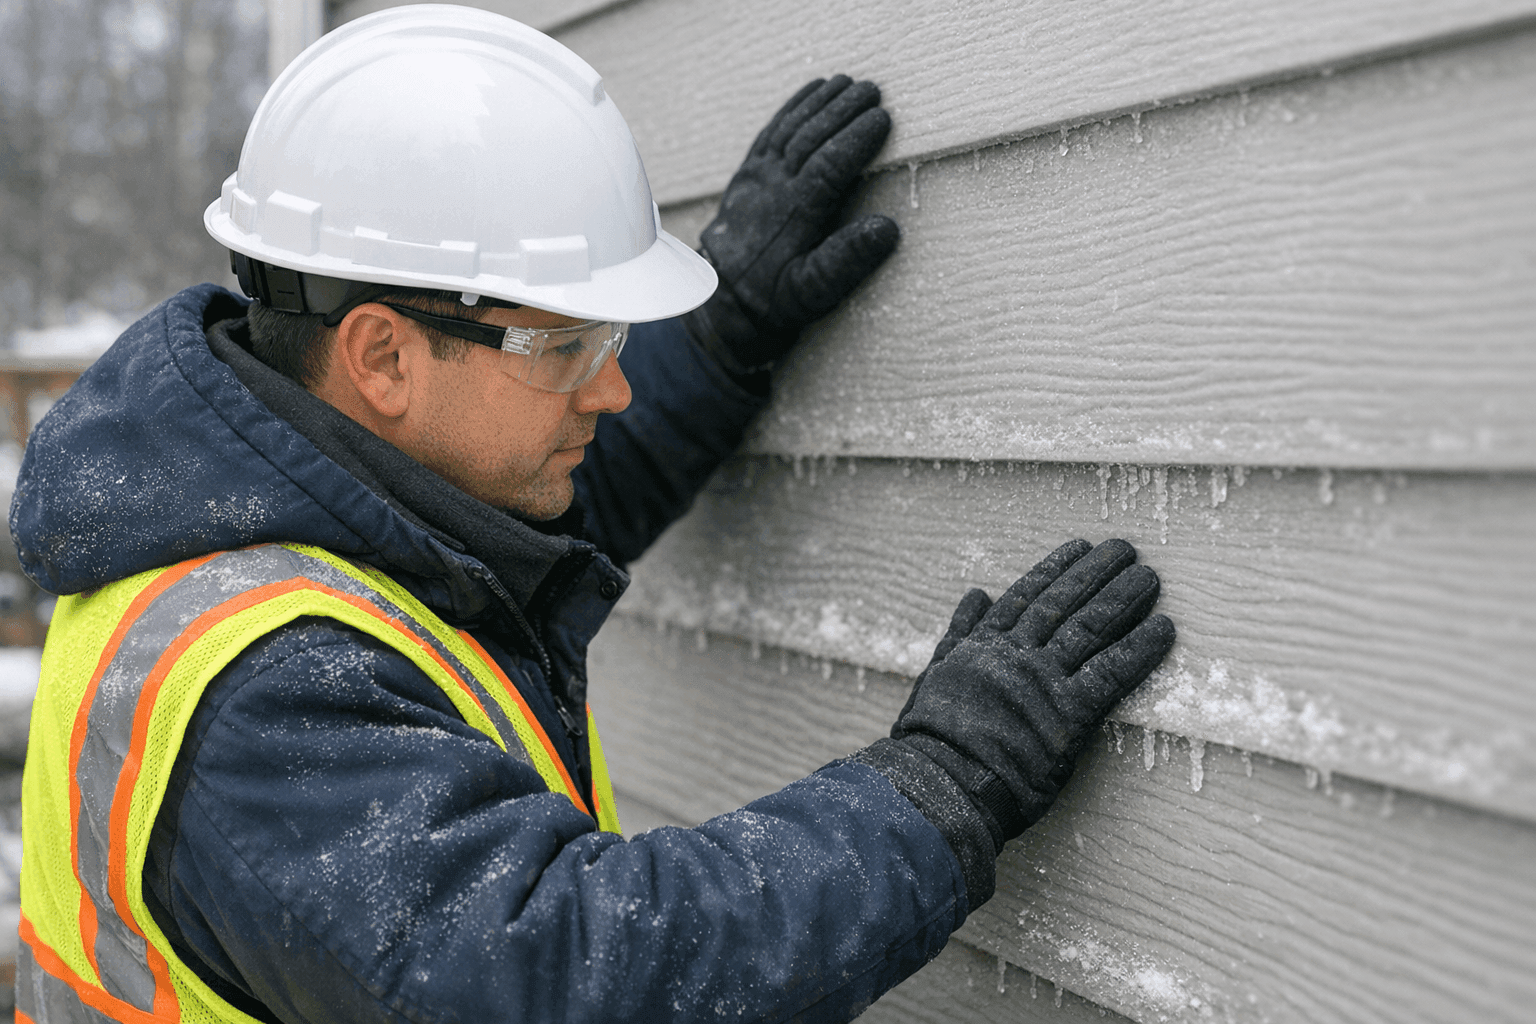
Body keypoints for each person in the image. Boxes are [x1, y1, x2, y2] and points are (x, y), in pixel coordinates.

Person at [12, 8, 1175, 1023]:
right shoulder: (260, 697)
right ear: (382, 355)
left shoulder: (271, 504)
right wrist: (942, 789)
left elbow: (507, 554)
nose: (610, 387)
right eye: (569, 345)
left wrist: (716, 348)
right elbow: (569, 977)